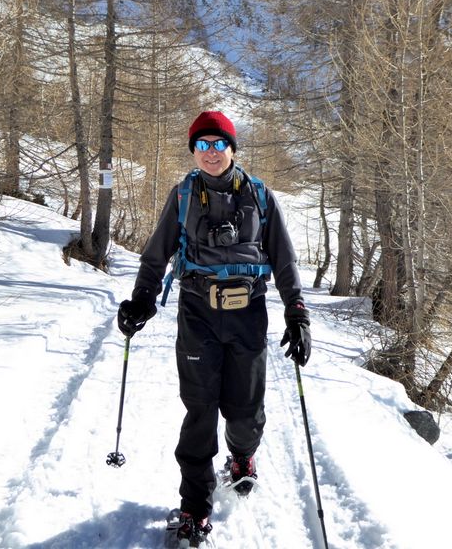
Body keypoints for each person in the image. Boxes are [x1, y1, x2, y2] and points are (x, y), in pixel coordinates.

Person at [117, 110, 311, 547]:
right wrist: (142, 299)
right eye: (202, 144)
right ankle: (194, 508)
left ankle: (242, 456)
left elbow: (284, 259)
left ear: (232, 149)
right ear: (193, 151)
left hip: (248, 313)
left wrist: (297, 312)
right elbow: (155, 256)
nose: (210, 152)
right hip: (197, 313)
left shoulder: (260, 196)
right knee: (200, 412)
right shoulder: (183, 195)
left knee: (244, 413)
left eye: (218, 143)